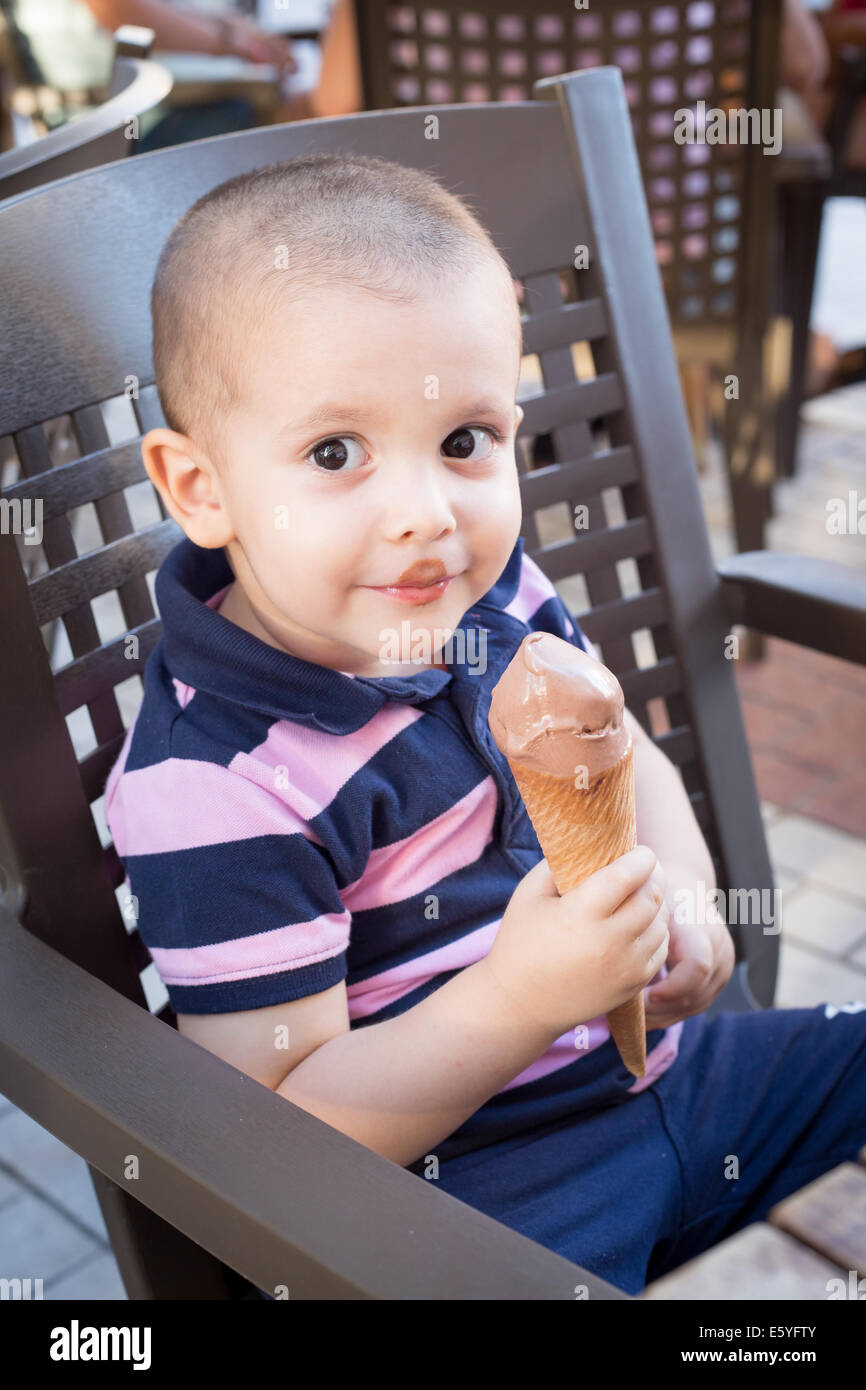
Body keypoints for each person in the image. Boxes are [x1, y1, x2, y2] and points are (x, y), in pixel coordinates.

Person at [104, 153, 866, 1297]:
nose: (425, 516)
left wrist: (692, 903)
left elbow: (630, 756)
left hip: (672, 1077)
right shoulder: (216, 782)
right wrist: (516, 1001)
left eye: (464, 440)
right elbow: (283, 1135)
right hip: (468, 1193)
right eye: (333, 452)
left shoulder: (493, 596)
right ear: (198, 486)